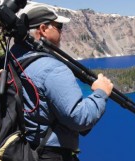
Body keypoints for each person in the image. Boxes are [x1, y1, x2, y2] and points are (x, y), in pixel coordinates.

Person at [9, 2, 113, 161]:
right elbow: (79, 118)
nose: (61, 32)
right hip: (50, 155)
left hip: (22, 150)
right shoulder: (52, 69)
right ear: (43, 29)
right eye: (58, 27)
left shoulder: (12, 59)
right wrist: (101, 93)